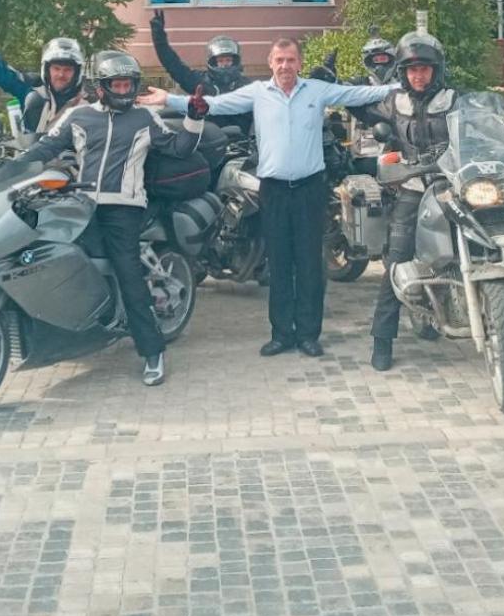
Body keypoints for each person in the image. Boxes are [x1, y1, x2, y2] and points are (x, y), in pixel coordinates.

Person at [146, 37, 395, 357]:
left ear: (300, 63)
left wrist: (401, 86)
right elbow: (215, 104)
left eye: (290, 60)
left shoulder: (317, 91)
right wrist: (169, 99)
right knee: (278, 263)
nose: (285, 66)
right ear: (270, 63)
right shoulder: (257, 93)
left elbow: (360, 93)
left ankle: (308, 334)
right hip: (274, 190)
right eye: (279, 60)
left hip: (309, 189)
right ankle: (281, 334)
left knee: (309, 264)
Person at [8, 50, 213, 387]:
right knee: (57, 260)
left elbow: (180, 148)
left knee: (128, 274)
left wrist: (195, 117)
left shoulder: (145, 118)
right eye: (116, 85)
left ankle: (152, 351)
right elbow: (45, 147)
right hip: (80, 204)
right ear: (101, 86)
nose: (123, 90)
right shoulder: (78, 116)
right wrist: (12, 164)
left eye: (127, 84)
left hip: (124, 208)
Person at [353, 32, 453, 371]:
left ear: (436, 70)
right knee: (397, 260)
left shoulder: (455, 100)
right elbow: (363, 110)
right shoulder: (395, 103)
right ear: (403, 73)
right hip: (413, 187)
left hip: (452, 186)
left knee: (492, 240)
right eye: (412, 70)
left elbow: (483, 126)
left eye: (424, 68)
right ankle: (382, 339)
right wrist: (335, 87)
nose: (418, 76)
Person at [20, 37, 87, 136]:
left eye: (67, 70)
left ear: (77, 73)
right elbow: (26, 140)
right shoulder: (37, 99)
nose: (61, 74)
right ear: (47, 70)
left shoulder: (88, 104)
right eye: (56, 68)